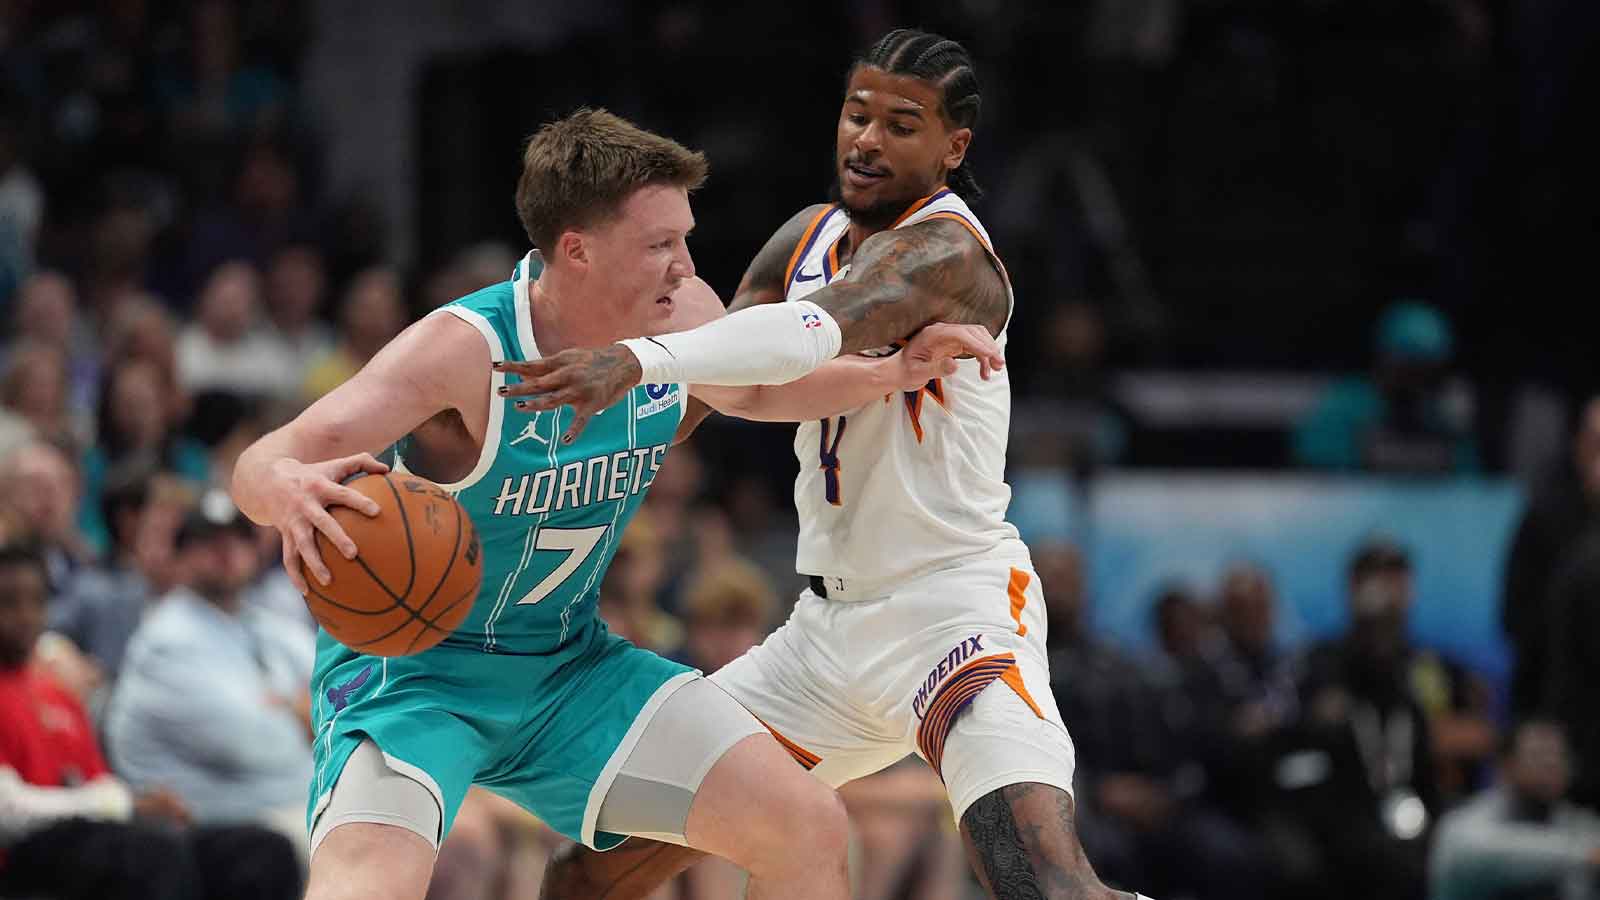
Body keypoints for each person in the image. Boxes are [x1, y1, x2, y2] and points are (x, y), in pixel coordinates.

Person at [231, 109, 974, 900]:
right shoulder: (463, 350)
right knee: (365, 887)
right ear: (577, 252)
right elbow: (263, 458)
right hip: (419, 675)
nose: (685, 267)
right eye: (660, 245)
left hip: (568, 667)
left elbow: (757, 388)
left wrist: (890, 375)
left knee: (805, 822)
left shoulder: (683, 318)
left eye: (685, 239)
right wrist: (284, 488)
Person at [532, 29, 1144, 900]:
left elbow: (806, 332)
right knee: (586, 874)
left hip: (953, 611)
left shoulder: (950, 256)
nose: (867, 139)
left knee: (1039, 883)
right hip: (821, 639)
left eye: (902, 124)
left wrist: (638, 357)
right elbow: (709, 382)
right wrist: (549, 466)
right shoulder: (804, 237)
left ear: (952, 147)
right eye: (859, 114)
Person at [105, 489, 316, 839]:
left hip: (285, 811)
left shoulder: (269, 626)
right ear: (181, 557)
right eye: (208, 542)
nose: (227, 552)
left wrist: (297, 712)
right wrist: (300, 712)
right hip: (215, 831)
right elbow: (251, 746)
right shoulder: (165, 641)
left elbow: (350, 701)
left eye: (238, 540)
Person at [1429, 720, 1600, 900]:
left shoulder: (1580, 825)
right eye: (1538, 755)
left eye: (1559, 755)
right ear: (1507, 766)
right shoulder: (1462, 825)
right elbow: (1485, 852)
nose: (1551, 764)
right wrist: (1583, 854)